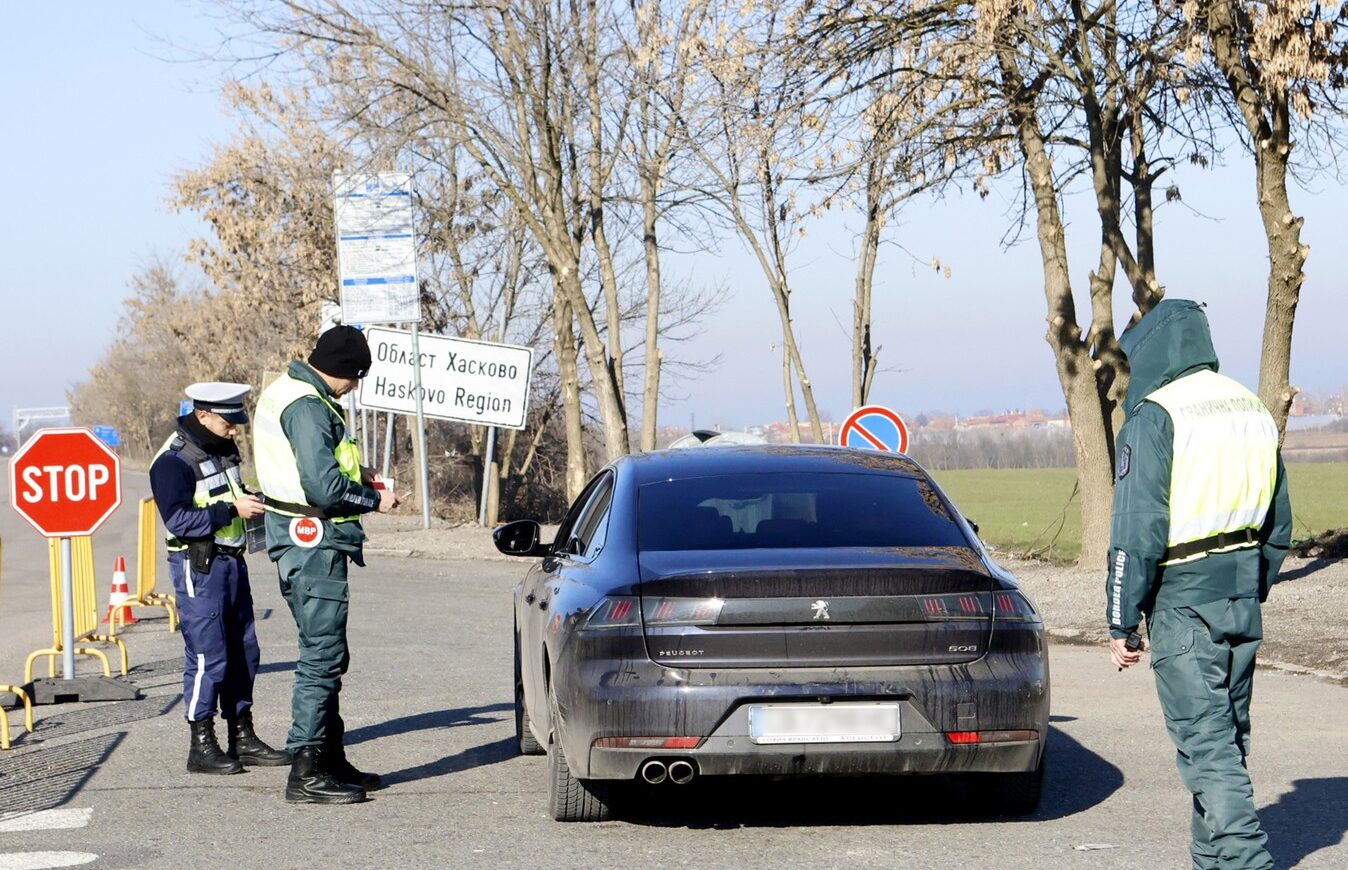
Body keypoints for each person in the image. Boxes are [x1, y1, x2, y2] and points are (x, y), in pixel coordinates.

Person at [1106, 299, 1291, 870]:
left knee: (1207, 747)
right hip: (1241, 592)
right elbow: (1279, 523)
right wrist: (1250, 586)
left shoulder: (1156, 416)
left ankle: (1246, 861)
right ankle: (1212, 862)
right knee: (1228, 739)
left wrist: (1122, 618)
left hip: (1183, 600)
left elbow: (1136, 531)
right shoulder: (1252, 407)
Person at [252, 325, 401, 805]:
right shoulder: (310, 407)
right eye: (355, 378)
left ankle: (330, 757)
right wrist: (372, 500)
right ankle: (307, 768)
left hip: (299, 538)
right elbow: (322, 488)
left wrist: (362, 475)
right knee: (322, 655)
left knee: (327, 651)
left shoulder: (289, 391)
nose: (355, 387)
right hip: (311, 541)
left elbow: (315, 468)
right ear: (341, 371)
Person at [149, 383, 291, 775]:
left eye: (236, 421)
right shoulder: (172, 461)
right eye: (228, 422)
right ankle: (202, 744)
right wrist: (232, 509)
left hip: (232, 562)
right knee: (207, 654)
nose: (234, 429)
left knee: (245, 652)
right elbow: (178, 520)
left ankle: (242, 738)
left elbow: (228, 493)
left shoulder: (222, 448)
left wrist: (252, 501)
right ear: (203, 415)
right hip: (200, 566)